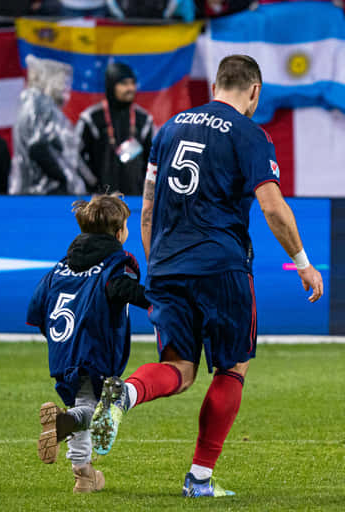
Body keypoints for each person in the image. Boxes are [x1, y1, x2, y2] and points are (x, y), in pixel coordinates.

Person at [89, 55, 324, 497]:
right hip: (221, 266)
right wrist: (303, 262)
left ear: (215, 86)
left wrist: (157, 265)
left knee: (178, 368)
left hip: (167, 264)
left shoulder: (167, 130)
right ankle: (199, 479)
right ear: (254, 91)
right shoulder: (250, 134)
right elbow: (272, 207)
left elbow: (147, 208)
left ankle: (126, 395)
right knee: (232, 367)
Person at [27, 195, 150, 494]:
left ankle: (83, 475)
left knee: (81, 403)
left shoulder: (61, 266)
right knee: (91, 410)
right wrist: (159, 301)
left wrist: (59, 341)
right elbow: (121, 289)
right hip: (95, 348)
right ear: (119, 233)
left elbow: (37, 307)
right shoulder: (117, 263)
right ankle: (62, 423)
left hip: (62, 350)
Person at [10, 55, 87, 195]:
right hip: (42, 192)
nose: (65, 88)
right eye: (62, 81)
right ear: (49, 79)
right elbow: (38, 146)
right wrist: (66, 177)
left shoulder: (37, 104)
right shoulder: (38, 105)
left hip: (37, 189)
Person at [77, 62, 154, 196]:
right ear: (111, 85)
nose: (130, 88)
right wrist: (93, 183)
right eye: (124, 84)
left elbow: (155, 158)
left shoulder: (144, 119)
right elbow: (75, 156)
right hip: (100, 199)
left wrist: (145, 186)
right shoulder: (91, 118)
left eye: (133, 83)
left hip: (136, 199)